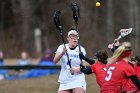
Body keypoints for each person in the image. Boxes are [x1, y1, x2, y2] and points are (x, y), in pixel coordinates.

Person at [53, 28, 87, 93]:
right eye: (72, 36)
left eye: (76, 36)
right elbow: (55, 61)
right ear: (68, 38)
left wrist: (75, 70)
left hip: (78, 79)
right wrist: (62, 53)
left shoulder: (81, 49)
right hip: (65, 80)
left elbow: (84, 66)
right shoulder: (62, 47)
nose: (75, 38)